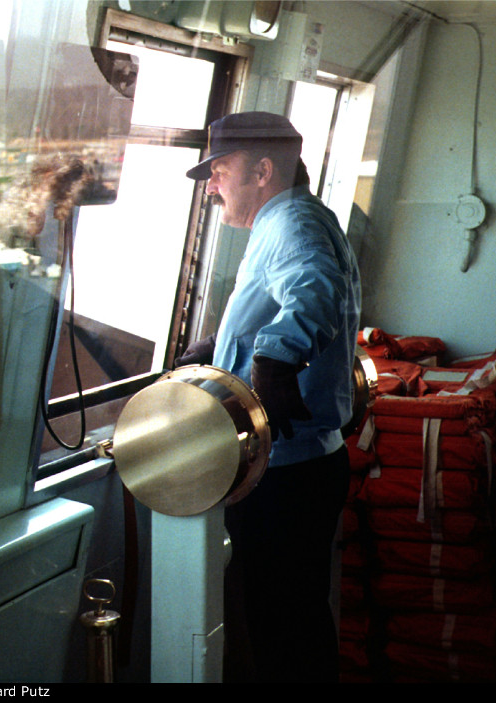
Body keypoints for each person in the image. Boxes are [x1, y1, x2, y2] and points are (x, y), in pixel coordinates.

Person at [178, 111, 362, 682]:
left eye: (220, 170)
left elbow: (314, 288)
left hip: (286, 472)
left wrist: (273, 359)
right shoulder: (299, 218)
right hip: (301, 466)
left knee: (284, 631)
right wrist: (221, 343)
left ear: (262, 170)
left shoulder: (289, 224)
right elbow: (287, 294)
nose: (212, 186)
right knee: (294, 621)